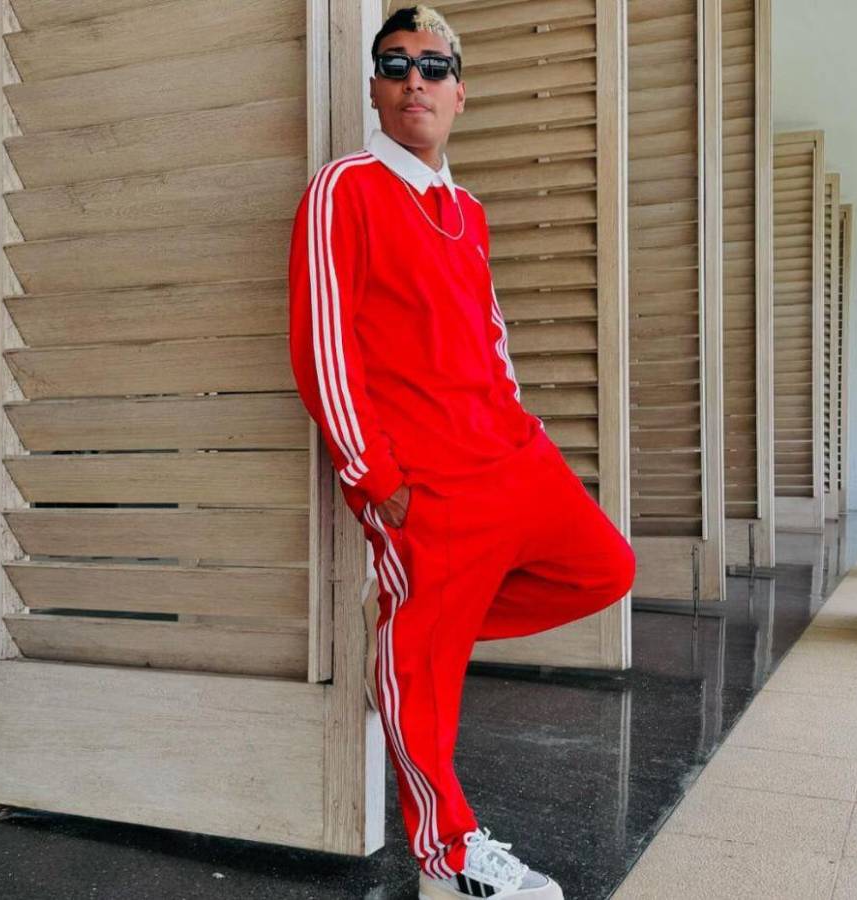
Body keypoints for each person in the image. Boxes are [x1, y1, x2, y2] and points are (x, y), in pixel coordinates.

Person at [286, 7, 634, 899]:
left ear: (459, 94)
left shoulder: (467, 211)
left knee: (607, 569)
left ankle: (408, 646)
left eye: (434, 66)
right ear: (374, 89)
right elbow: (323, 345)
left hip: (511, 458)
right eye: (395, 64)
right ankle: (449, 856)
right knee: (425, 671)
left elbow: (492, 333)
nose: (416, 79)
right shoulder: (344, 188)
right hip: (424, 483)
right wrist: (374, 476)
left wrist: (524, 429)